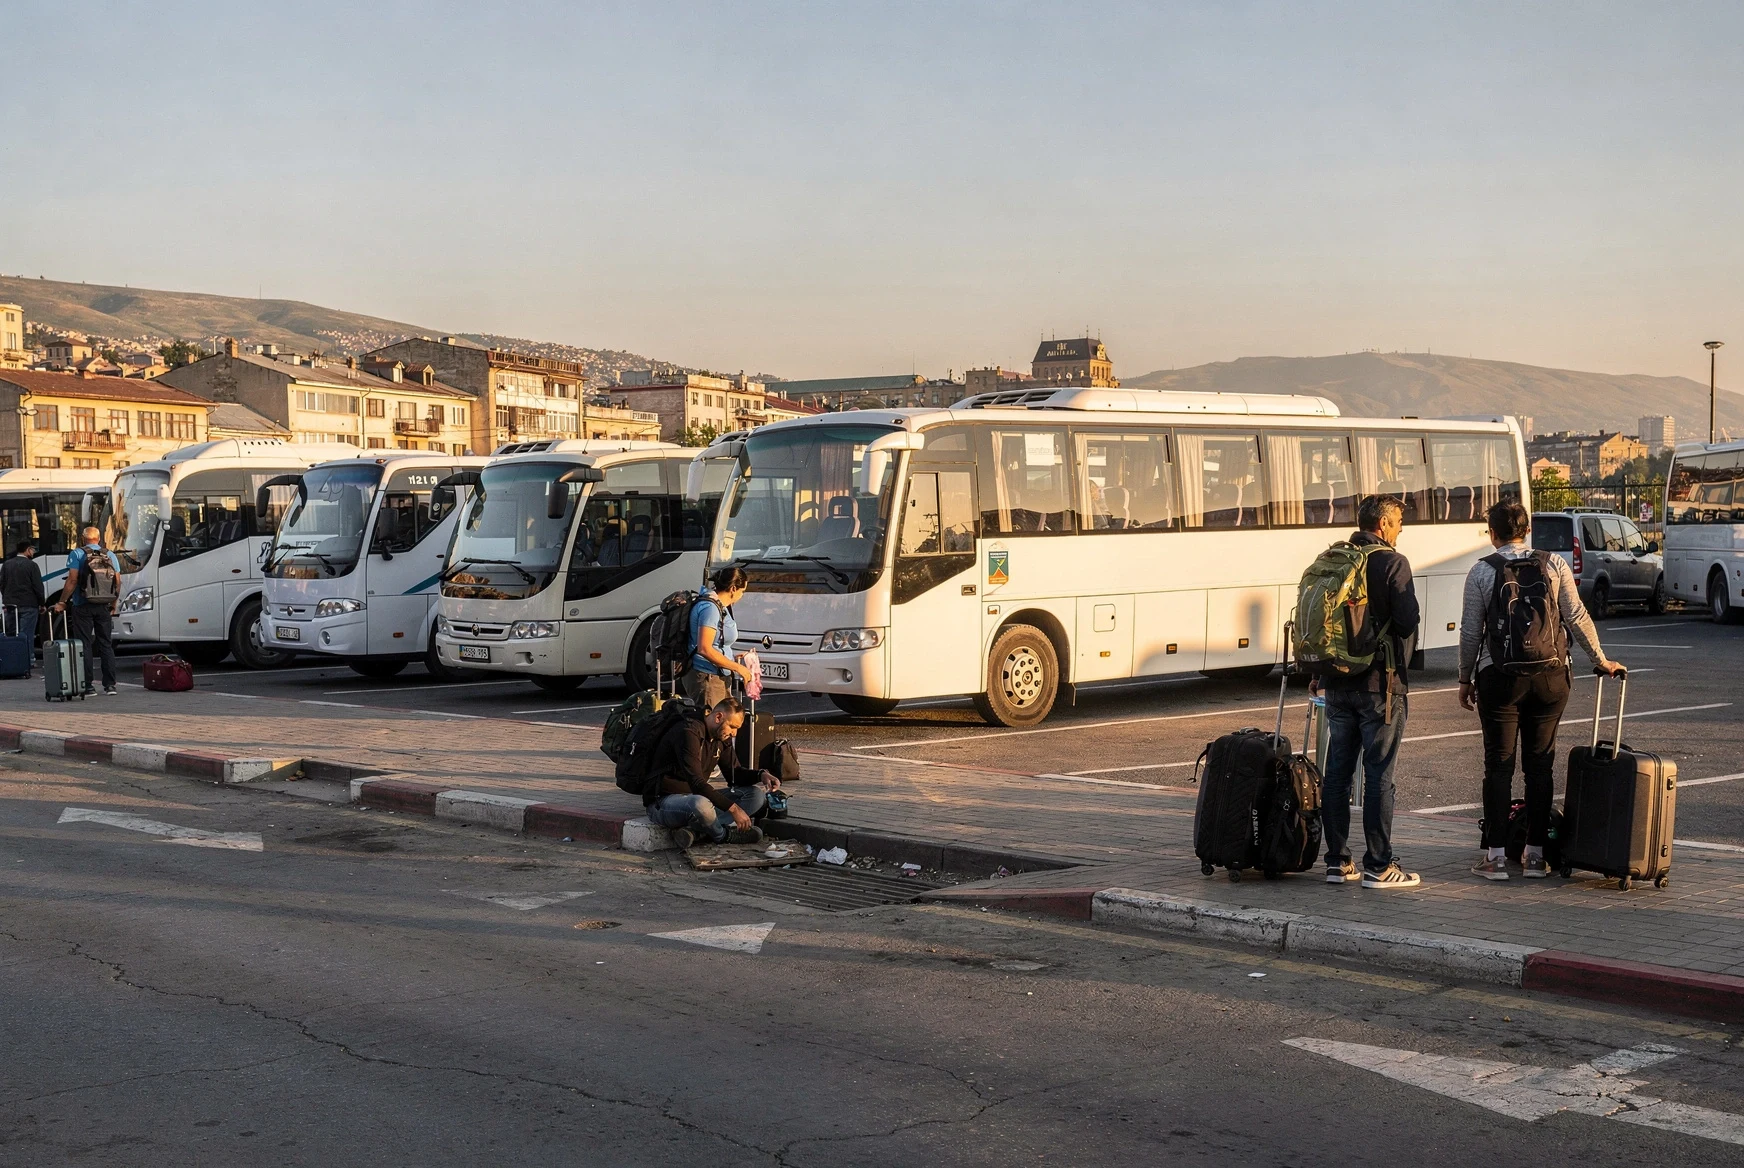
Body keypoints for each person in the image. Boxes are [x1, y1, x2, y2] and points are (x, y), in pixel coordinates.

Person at [1459, 499, 1623, 880]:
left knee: (1498, 766)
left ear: (1492, 532)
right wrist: (1600, 659)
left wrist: (1465, 679)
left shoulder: (1482, 571)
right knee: (1540, 765)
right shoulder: (1553, 564)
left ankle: (1496, 857)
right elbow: (1576, 613)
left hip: (1500, 678)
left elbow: (1470, 632)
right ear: (1526, 529)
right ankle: (1535, 856)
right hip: (1551, 678)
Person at [1310, 494, 1422, 889]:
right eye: (1398, 525)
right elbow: (1408, 621)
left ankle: (1337, 862)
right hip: (1381, 686)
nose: (1400, 532)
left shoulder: (1332, 559)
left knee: (1337, 774)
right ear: (1383, 525)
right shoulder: (1392, 562)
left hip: (1337, 684)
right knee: (1378, 776)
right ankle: (1378, 864)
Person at [640, 696, 776, 848]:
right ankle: (722, 835)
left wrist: (761, 775)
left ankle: (699, 832)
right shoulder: (688, 731)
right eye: (732, 727)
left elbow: (735, 774)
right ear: (718, 717)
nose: (734, 734)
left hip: (695, 797)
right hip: (663, 803)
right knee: (700, 804)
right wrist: (734, 809)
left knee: (755, 795)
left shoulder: (720, 737)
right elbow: (697, 783)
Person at [53, 526, 121, 696]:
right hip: (103, 605)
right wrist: (114, 602)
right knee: (106, 644)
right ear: (99, 538)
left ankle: (88, 686)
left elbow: (72, 580)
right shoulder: (110, 554)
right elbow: (117, 582)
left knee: (85, 644)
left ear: (83, 539)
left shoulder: (77, 554)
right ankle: (110, 685)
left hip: (82, 604)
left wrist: (62, 601)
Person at [684, 565, 754, 709]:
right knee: (713, 726)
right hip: (707, 677)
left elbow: (716, 644)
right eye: (743, 591)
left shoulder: (718, 605)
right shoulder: (710, 609)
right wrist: (738, 668)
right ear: (733, 589)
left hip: (716, 676)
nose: (742, 596)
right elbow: (704, 649)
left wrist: (731, 658)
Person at [1, 540, 46, 674]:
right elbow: (38, 586)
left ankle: (13, 660)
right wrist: (41, 603)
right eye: (32, 550)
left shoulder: (6, 565)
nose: (33, 552)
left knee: (12, 634)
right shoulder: (32, 565)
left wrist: (7, 598)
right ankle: (29, 660)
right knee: (27, 633)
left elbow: (2, 584)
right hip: (29, 604)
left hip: (10, 605)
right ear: (27, 550)